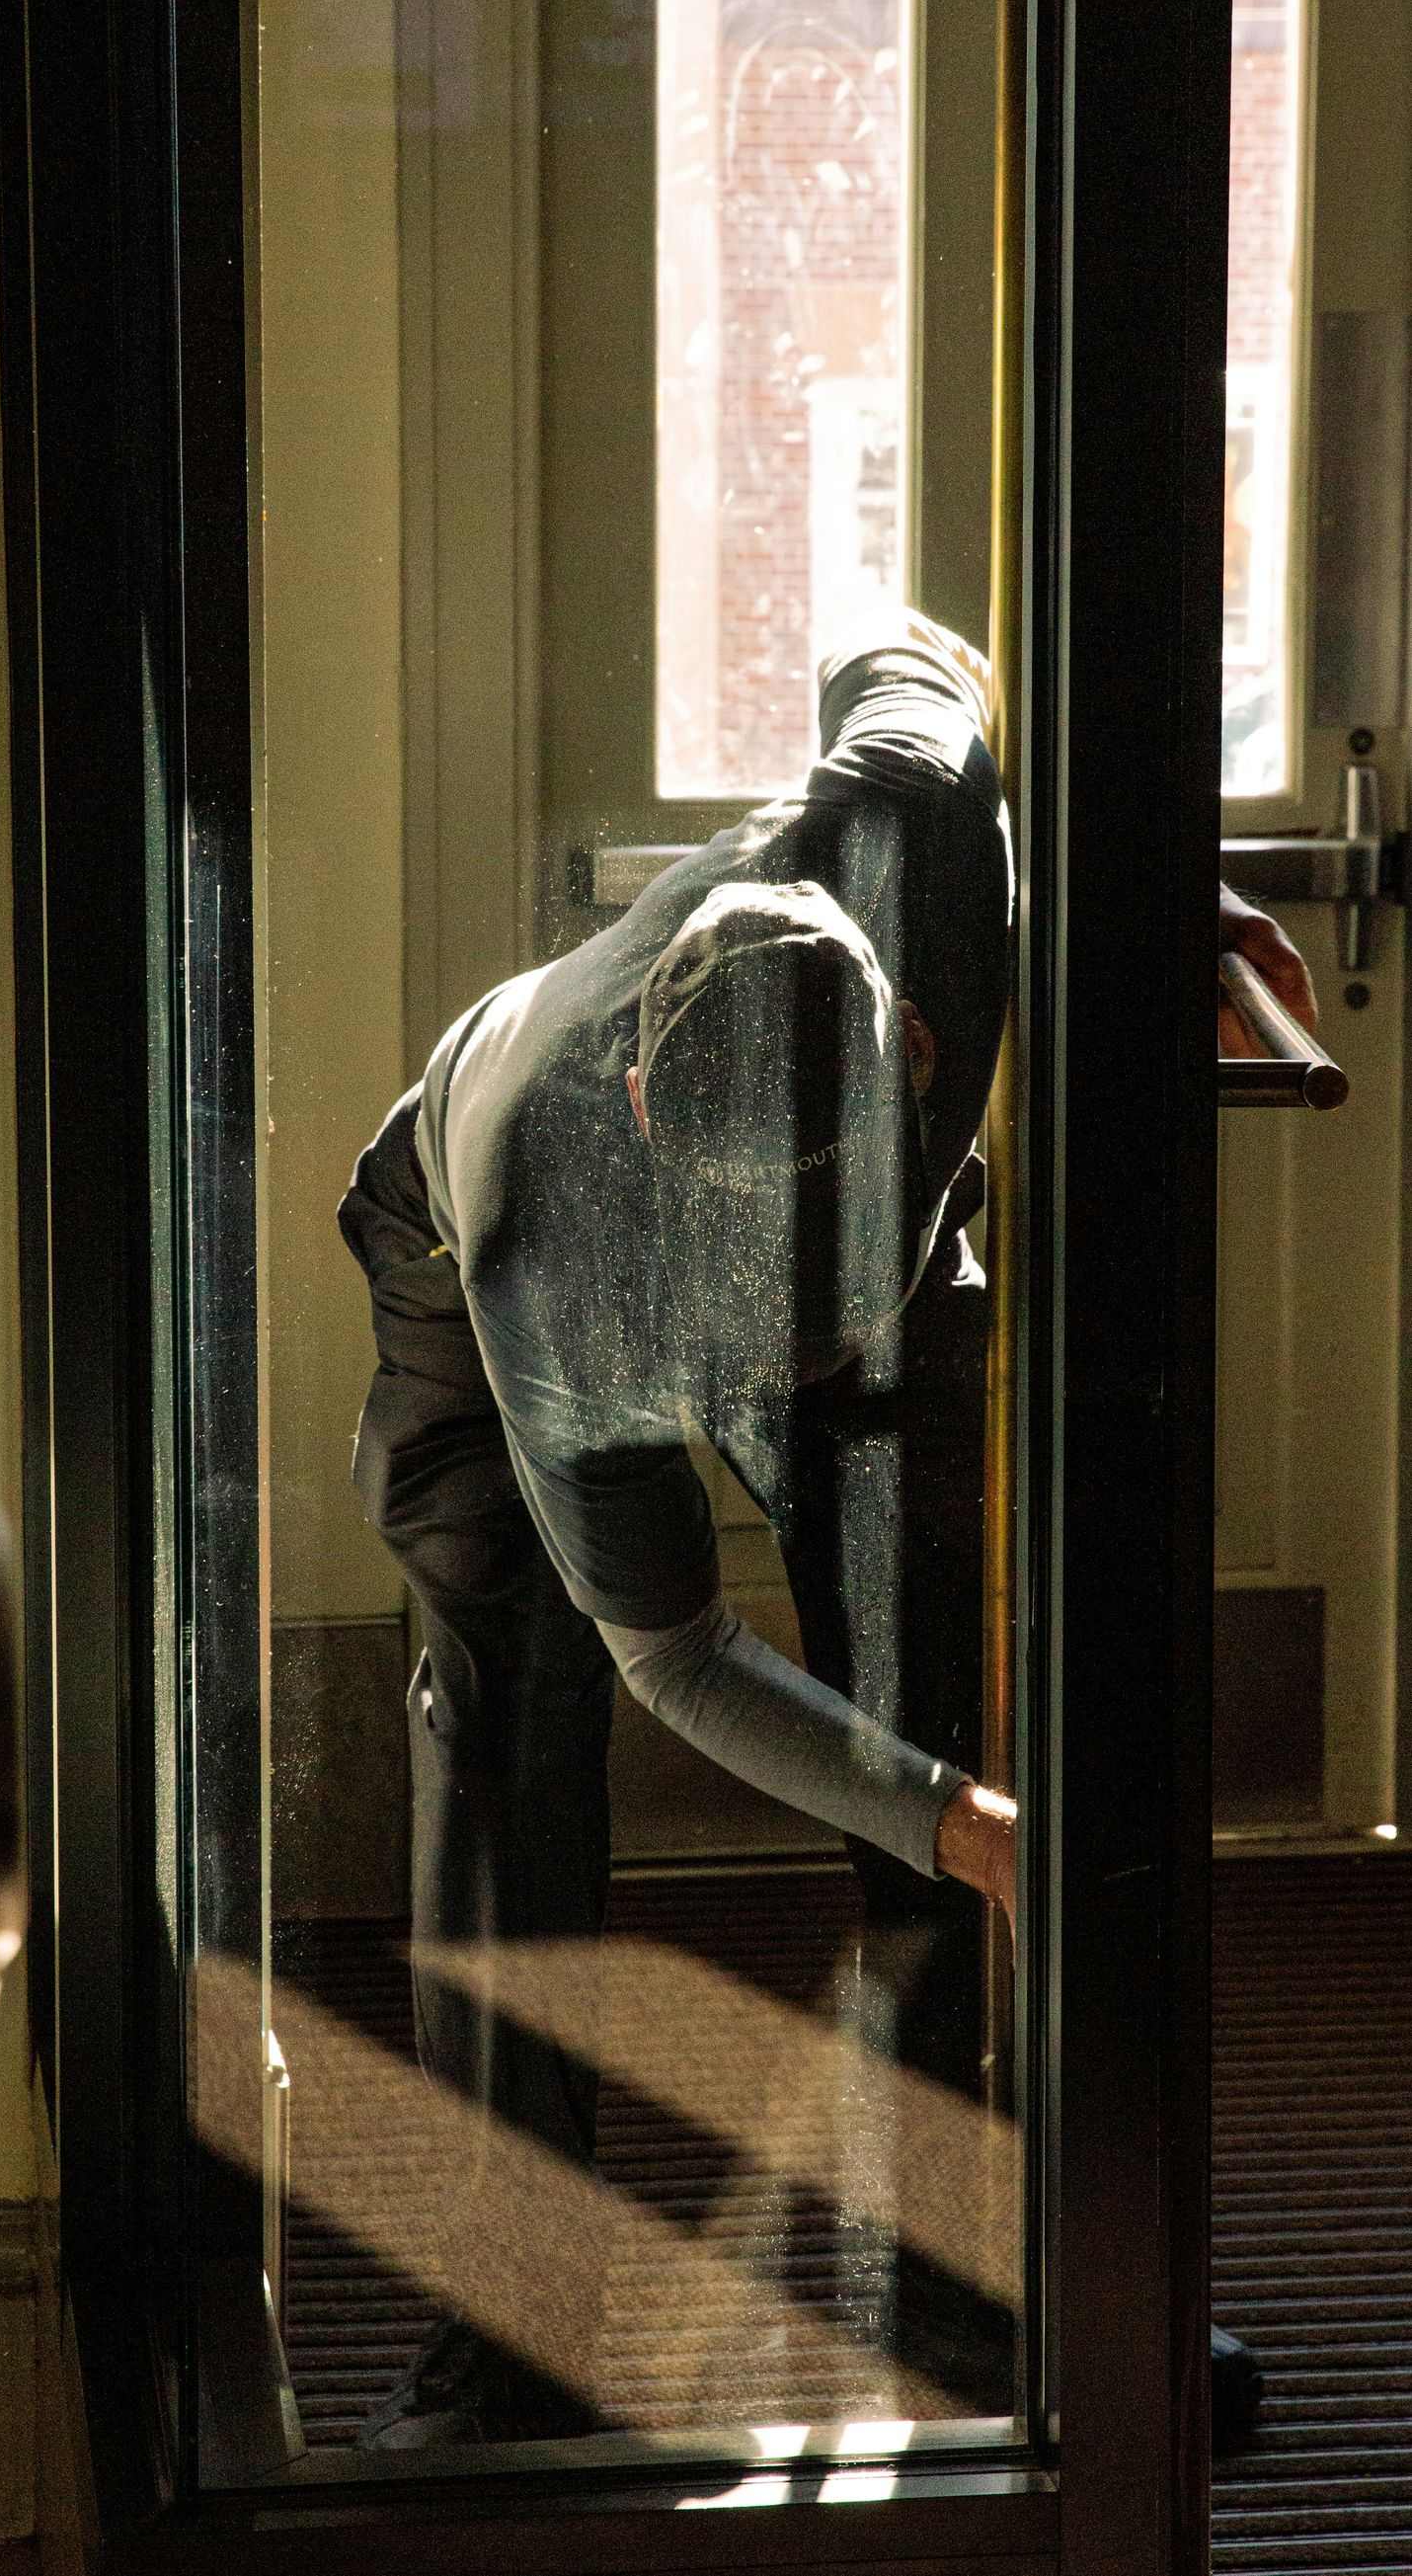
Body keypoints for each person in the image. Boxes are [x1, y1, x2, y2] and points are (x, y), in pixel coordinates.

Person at [338, 609, 1313, 2447]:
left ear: (921, 1034)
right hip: (462, 1256)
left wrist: (1135, 890)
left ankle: (968, 2280)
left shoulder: (913, 821)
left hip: (872, 1272)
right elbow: (680, 1655)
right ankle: (511, 2339)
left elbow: (912, 639)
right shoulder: (551, 1221)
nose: (769, 1303)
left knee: (921, 1677)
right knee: (516, 1726)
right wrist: (973, 1832)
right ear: (642, 1089)